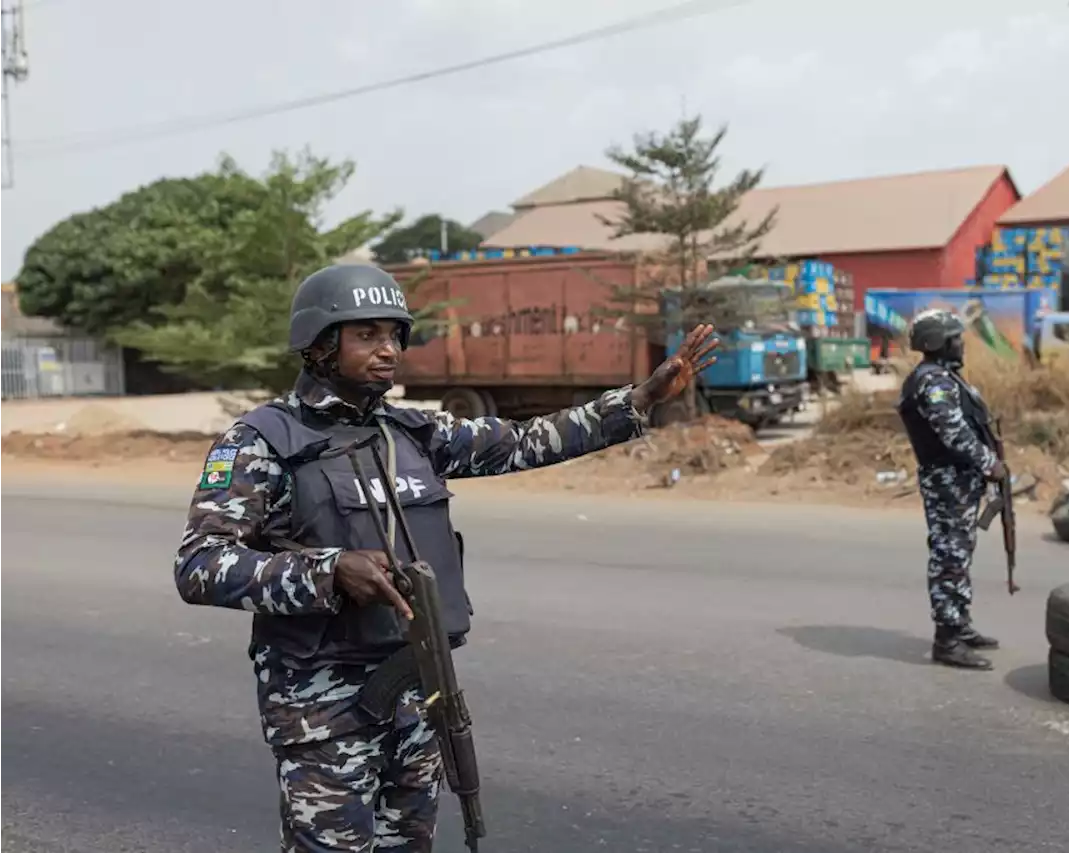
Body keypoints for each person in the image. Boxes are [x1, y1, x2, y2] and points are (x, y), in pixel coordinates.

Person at [172, 263, 719, 851]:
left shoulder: (412, 433)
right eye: (366, 335)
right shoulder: (261, 442)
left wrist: (639, 399)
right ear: (319, 346)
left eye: (394, 335)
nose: (388, 351)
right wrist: (327, 571)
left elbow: (521, 441)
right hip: (323, 713)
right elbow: (200, 565)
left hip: (416, 697)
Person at [895, 308, 1006, 671]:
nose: (962, 344)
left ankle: (959, 624)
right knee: (949, 556)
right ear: (936, 343)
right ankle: (947, 640)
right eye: (955, 338)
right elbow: (953, 433)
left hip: (958, 479)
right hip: (948, 479)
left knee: (959, 552)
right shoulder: (934, 382)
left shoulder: (944, 377)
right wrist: (989, 463)